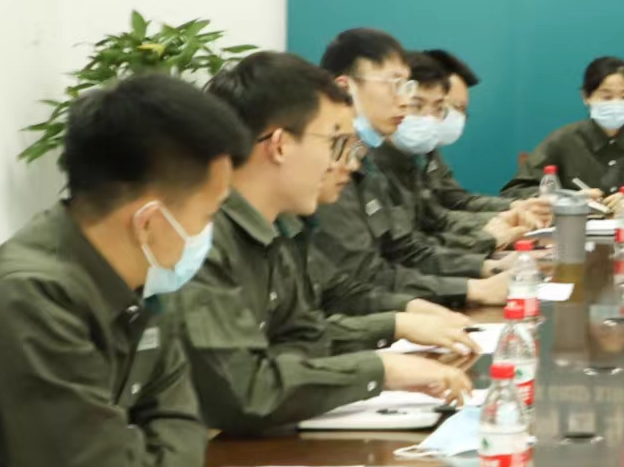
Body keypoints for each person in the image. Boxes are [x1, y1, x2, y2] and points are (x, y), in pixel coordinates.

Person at [0, 75, 249, 467]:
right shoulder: (31, 295)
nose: (209, 232)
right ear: (149, 223)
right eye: (209, 214)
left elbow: (184, 434)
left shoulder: (146, 279)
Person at [171, 51, 475, 435]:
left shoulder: (278, 229)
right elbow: (245, 391)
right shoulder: (200, 240)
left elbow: (306, 337)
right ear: (280, 145)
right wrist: (381, 369)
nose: (347, 163)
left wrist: (390, 329)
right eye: (335, 143)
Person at [306, 28, 511, 310]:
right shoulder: (325, 168)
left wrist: (482, 272)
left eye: (407, 86)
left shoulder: (364, 160)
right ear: (345, 88)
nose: (403, 101)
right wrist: (471, 286)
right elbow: (359, 279)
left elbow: (403, 250)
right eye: (395, 85)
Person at [382, 52, 546, 249]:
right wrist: (485, 240)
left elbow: (441, 213)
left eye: (438, 108)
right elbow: (404, 250)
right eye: (416, 105)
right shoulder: (368, 159)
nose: (429, 117)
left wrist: (507, 216)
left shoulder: (422, 150)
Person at [502, 56, 624, 210]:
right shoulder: (564, 140)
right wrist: (568, 199)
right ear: (586, 97)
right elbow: (514, 192)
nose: (616, 104)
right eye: (606, 97)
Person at [422, 47, 510, 217]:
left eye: (463, 112)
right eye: (456, 107)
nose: (459, 118)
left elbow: (455, 200)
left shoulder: (428, 149)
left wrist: (513, 207)